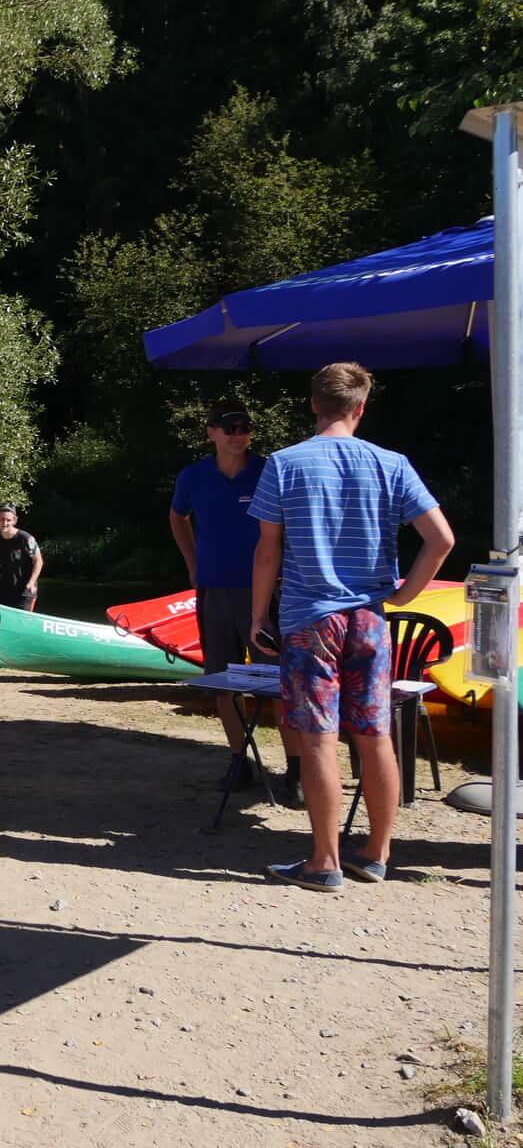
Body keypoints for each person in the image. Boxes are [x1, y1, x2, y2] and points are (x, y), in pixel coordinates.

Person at [248, 362, 455, 893]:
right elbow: (441, 540)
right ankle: (377, 853)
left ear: (314, 404)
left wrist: (256, 617)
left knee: (318, 740)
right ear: (361, 407)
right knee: (374, 734)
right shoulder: (392, 464)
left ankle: (324, 861)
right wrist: (404, 595)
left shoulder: (285, 464)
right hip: (369, 621)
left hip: (309, 622)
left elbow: (268, 552)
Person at [169, 400, 301, 802]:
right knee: (222, 681)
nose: (239, 434)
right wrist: (193, 563)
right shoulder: (194, 476)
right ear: (211, 432)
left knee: (280, 682)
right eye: (230, 428)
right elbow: (178, 517)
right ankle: (239, 760)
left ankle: (294, 769)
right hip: (214, 590)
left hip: (266, 594)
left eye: (245, 427)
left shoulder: (268, 471)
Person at [0, 504, 43, 611]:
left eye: (8, 520)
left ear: (14, 520)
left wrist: (31, 582)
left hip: (26, 590)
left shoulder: (26, 539)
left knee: (22, 623)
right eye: (1, 519)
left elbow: (38, 561)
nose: (5, 523)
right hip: (5, 588)